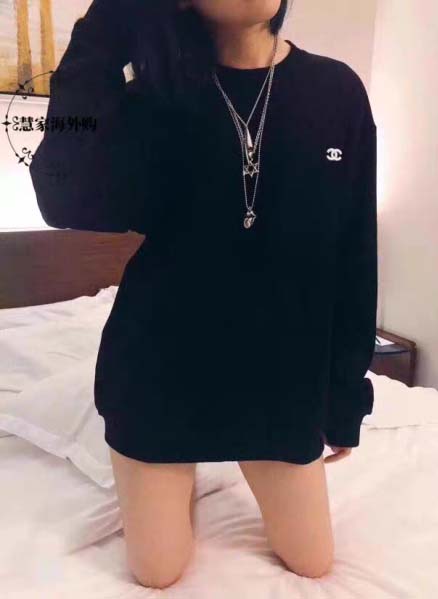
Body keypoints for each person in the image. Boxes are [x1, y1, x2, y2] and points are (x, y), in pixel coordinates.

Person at [29, 0, 378, 589]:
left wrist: (345, 399)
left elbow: (355, 252)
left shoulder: (336, 91)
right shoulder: (152, 101)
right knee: (159, 572)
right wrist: (102, 34)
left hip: (279, 381)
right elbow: (62, 199)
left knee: (313, 562)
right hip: (159, 376)